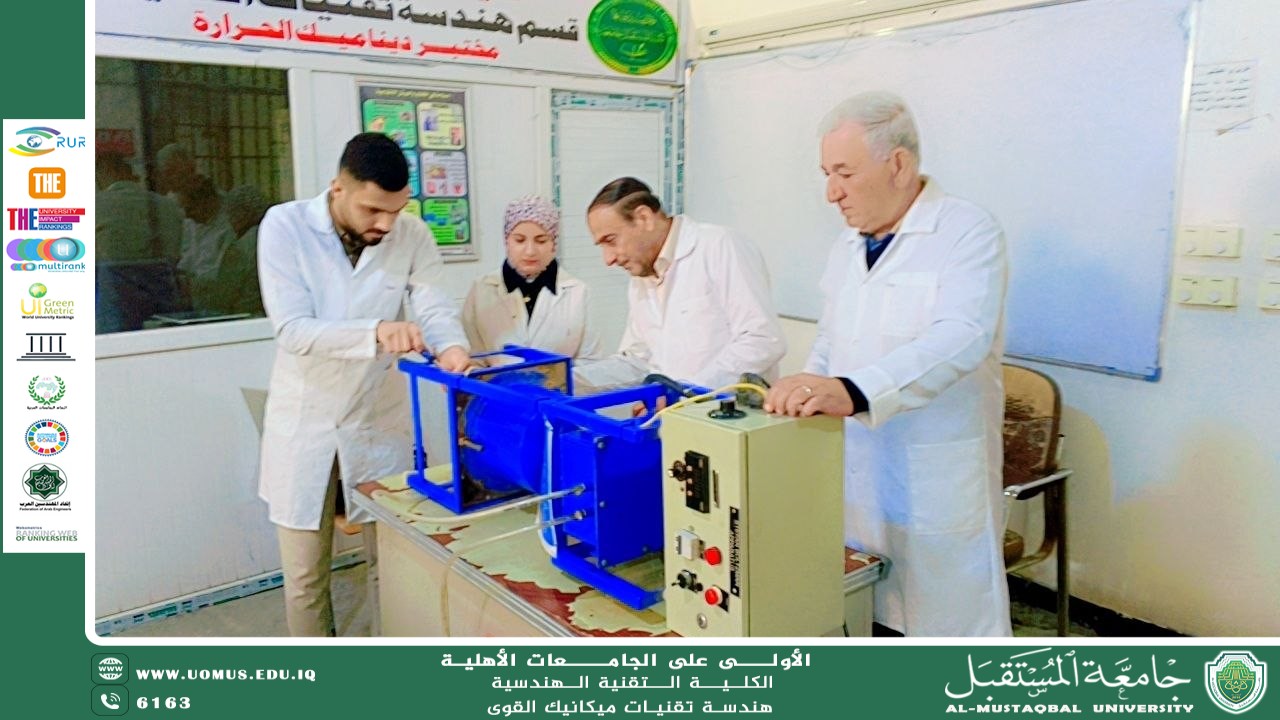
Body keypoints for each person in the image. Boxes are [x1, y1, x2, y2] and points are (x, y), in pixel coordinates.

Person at [764, 92, 1011, 637]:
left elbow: (961, 336)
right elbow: (831, 339)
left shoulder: (967, 231)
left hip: (935, 475)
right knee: (865, 614)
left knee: (944, 633)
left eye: (844, 174)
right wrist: (809, 386)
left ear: (898, 165)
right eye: (827, 174)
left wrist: (853, 390)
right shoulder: (847, 247)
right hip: (858, 470)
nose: (832, 193)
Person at [257, 132, 470, 637]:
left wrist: (453, 347)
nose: (386, 224)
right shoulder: (285, 226)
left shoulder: (411, 233)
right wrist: (374, 332)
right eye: (374, 210)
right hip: (307, 422)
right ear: (338, 189)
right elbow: (292, 329)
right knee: (306, 577)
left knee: (392, 565)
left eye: (396, 211)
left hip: (377, 419)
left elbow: (434, 303)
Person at [574, 177, 785, 391]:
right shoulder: (642, 275)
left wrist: (686, 392)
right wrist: (567, 380)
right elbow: (639, 359)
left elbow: (763, 340)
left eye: (610, 241)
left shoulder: (719, 246)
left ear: (644, 218)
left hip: (730, 415)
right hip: (677, 416)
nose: (608, 259)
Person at [462, 195, 602, 361]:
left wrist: (555, 380)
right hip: (493, 386)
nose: (530, 251)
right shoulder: (481, 289)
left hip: (560, 387)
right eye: (520, 240)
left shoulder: (579, 292)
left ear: (554, 244)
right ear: (507, 242)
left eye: (541, 241)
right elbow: (470, 357)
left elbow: (590, 360)